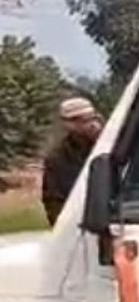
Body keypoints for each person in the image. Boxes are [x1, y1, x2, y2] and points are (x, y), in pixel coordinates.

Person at [41, 97, 104, 226]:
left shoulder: (115, 145)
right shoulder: (58, 159)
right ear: (68, 124)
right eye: (83, 120)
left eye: (93, 118)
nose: (92, 124)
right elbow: (54, 200)